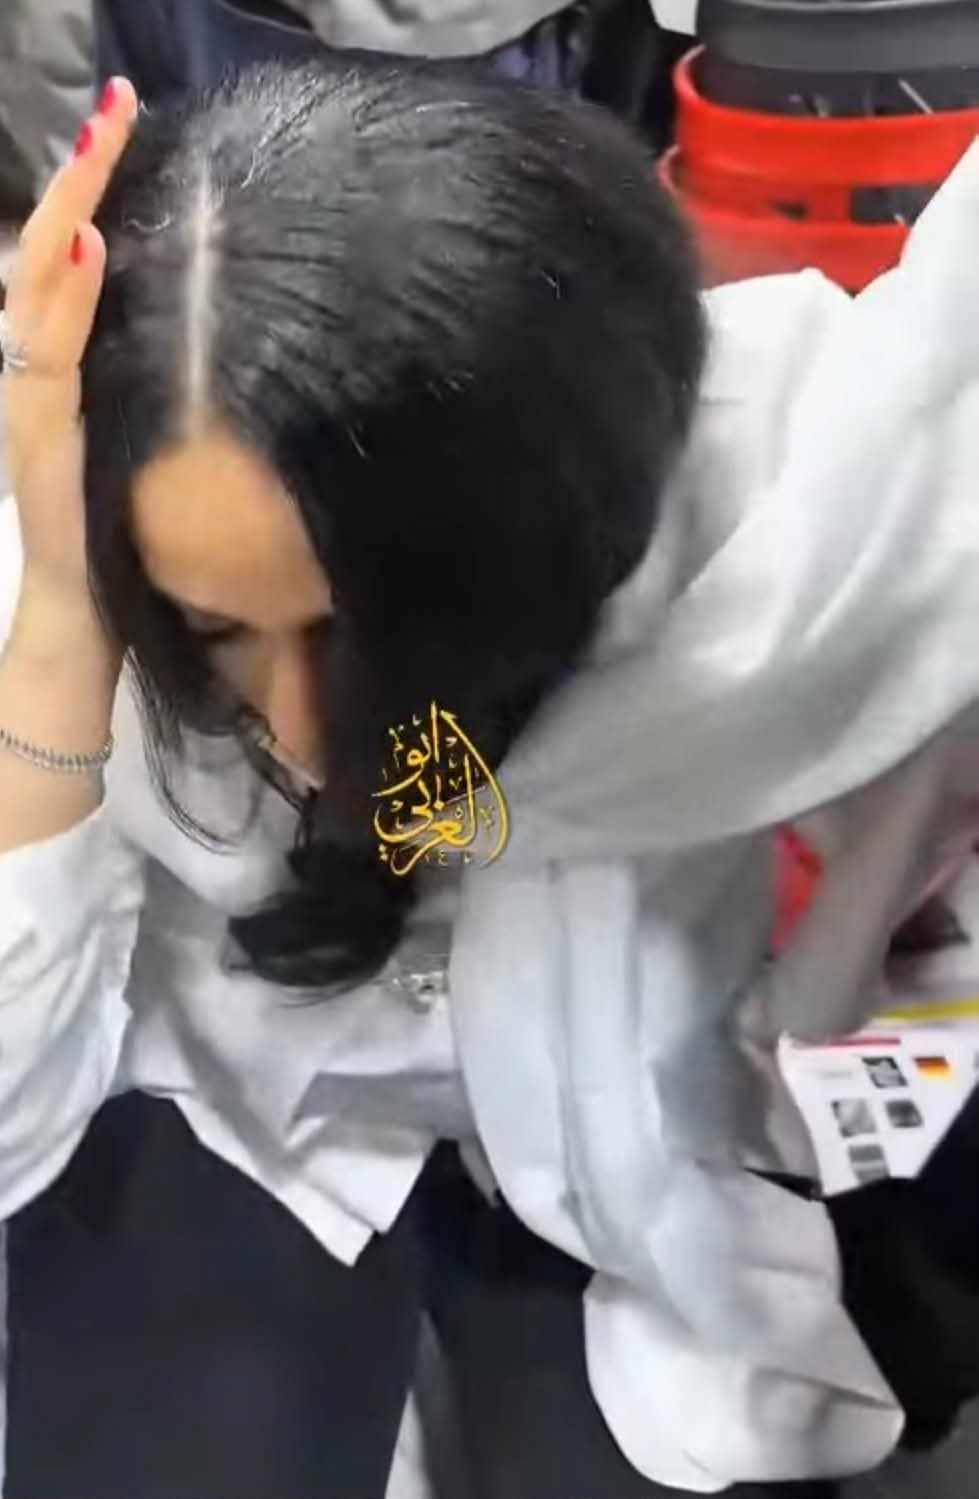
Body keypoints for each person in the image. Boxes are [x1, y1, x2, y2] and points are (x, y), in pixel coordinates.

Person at [0, 60, 976, 1499]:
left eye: (375, 631)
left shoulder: (749, 502)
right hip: (223, 1128)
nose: (308, 728)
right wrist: (64, 623)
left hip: (627, 1154)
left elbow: (937, 453)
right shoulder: (63, 540)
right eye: (212, 629)